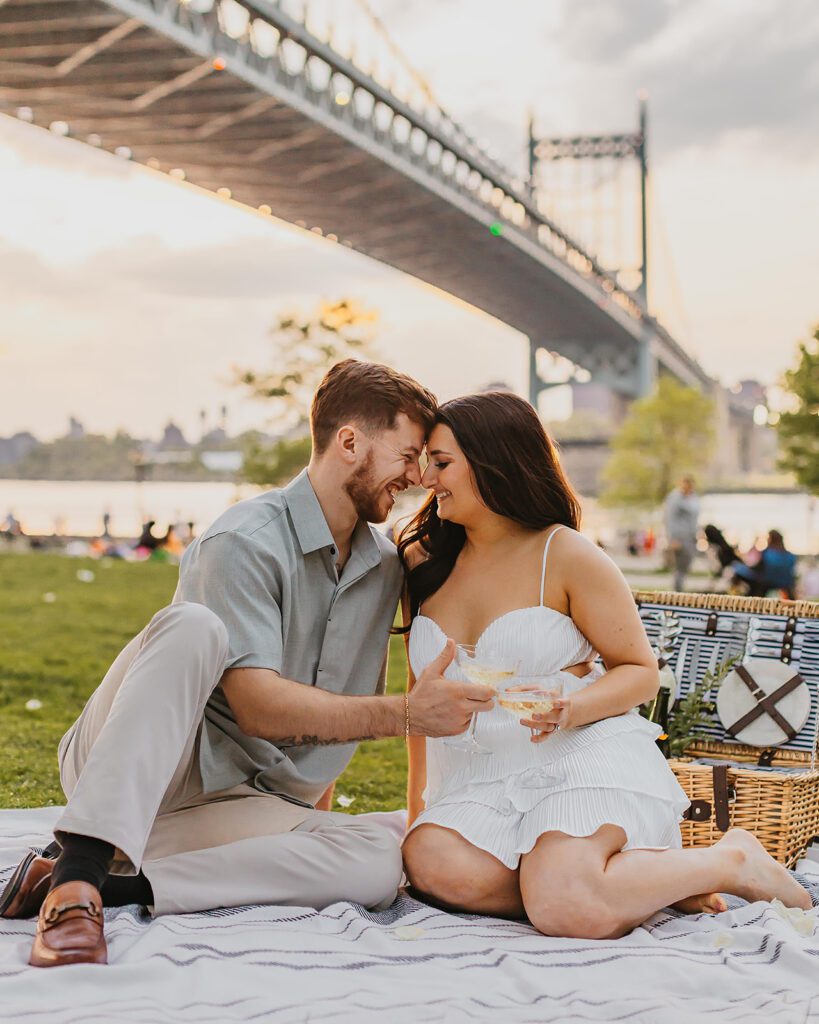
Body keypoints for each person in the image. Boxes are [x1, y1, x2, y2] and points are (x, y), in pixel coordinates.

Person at [1, 360, 495, 969]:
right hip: (151, 770)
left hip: (241, 807)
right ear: (349, 443)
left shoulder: (387, 567)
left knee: (377, 860)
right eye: (408, 455)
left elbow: (324, 726)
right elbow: (261, 709)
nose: (418, 476)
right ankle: (74, 883)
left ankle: (113, 881)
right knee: (192, 626)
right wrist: (407, 716)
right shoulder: (242, 540)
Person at [398, 392, 810, 939]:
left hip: (579, 754)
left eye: (442, 462)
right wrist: (418, 811)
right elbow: (418, 704)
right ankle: (640, 883)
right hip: (481, 776)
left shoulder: (565, 554)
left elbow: (638, 671)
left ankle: (730, 860)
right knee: (429, 863)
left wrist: (572, 707)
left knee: (563, 904)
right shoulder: (421, 560)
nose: (428, 477)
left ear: (494, 462)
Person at [733, 529, 798, 599]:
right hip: (787, 584)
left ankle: (742, 598)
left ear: (771, 539)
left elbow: (756, 568)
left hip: (767, 583)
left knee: (737, 568)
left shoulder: (767, 553)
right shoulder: (791, 556)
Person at [664, 476, 699, 591]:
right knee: (680, 567)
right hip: (679, 537)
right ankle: (677, 591)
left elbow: (694, 518)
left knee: (686, 565)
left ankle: (680, 589)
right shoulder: (675, 498)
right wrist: (672, 538)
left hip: (690, 537)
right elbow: (670, 518)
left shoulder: (693, 498)